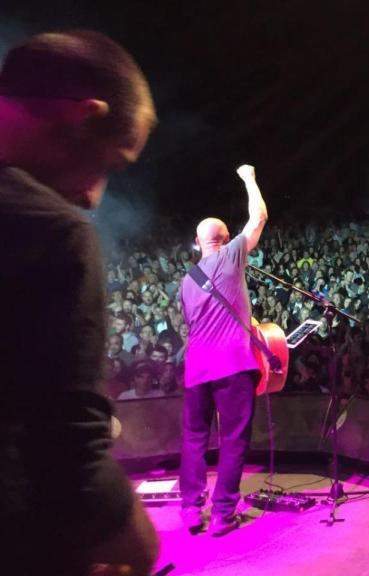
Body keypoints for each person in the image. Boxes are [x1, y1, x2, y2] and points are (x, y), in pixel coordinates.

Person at [0, 31, 159, 575]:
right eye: (112, 163)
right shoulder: (49, 230)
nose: (94, 197)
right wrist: (139, 553)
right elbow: (68, 454)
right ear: (80, 116)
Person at [179, 164, 268, 536]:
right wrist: (249, 178)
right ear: (228, 238)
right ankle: (222, 513)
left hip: (196, 368)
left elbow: (190, 324)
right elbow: (259, 215)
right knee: (232, 438)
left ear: (196, 244)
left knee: (194, 437)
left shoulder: (186, 280)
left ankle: (190, 509)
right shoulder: (233, 255)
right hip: (232, 364)